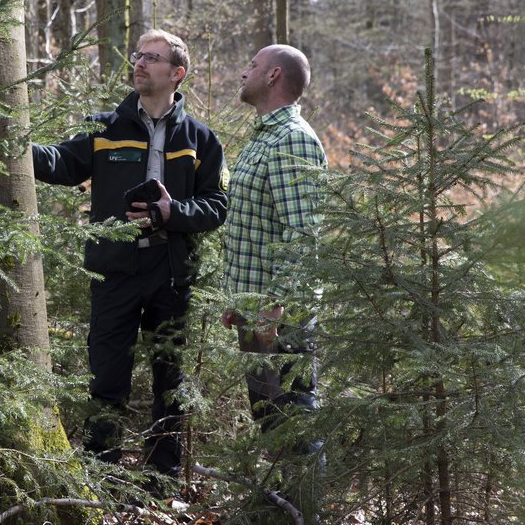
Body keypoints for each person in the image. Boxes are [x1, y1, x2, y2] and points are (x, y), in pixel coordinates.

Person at [33, 29, 228, 483]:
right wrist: (13, 144)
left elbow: (216, 206)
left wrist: (171, 212)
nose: (139, 63)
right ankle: (101, 475)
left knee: (170, 383)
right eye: (138, 55)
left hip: (171, 272)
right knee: (107, 379)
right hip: (114, 271)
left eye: (152, 58)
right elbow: (60, 163)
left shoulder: (201, 139)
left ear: (176, 74)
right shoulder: (105, 127)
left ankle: (160, 481)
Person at [221, 44, 327, 508]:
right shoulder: (263, 135)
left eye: (252, 66)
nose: (243, 71)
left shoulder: (292, 139)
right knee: (271, 416)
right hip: (257, 310)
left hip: (279, 316)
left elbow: (302, 234)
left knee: (294, 417)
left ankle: (306, 509)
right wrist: (238, 301)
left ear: (273, 76)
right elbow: (252, 223)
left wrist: (274, 308)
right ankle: (288, 505)